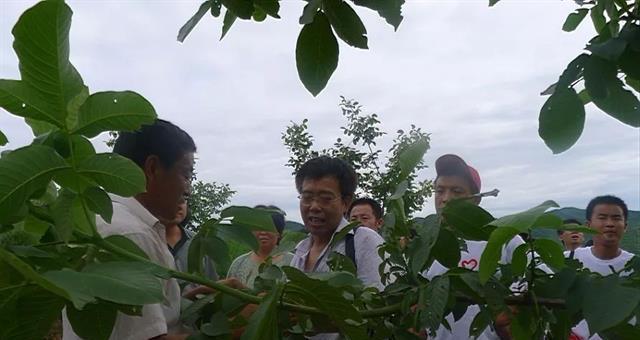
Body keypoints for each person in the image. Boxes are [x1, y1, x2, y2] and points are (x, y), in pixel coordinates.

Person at [63, 119, 196, 340]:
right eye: (186, 174)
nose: (188, 189)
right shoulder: (129, 234)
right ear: (152, 168)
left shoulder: (118, 222)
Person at [423, 154, 525, 340]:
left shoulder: (504, 240)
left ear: (476, 200)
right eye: (440, 190)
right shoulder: (426, 243)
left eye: (457, 191)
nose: (446, 199)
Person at [291, 156, 385, 289]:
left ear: (345, 203)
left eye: (325, 198)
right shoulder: (301, 250)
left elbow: (378, 301)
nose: (314, 207)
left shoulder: (364, 241)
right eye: (307, 197)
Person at [568, 195, 635, 340]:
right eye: (602, 218)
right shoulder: (567, 260)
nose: (610, 224)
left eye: (616, 218)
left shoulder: (635, 266)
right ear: (588, 225)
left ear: (626, 226)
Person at [226, 205, 294, 288]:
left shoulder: (293, 262)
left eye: (268, 228)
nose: (263, 232)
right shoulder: (239, 264)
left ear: (279, 233)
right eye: (257, 228)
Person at [166, 201, 218, 290]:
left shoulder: (200, 241)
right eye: (169, 196)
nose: (179, 205)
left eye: (183, 198)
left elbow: (212, 284)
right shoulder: (141, 238)